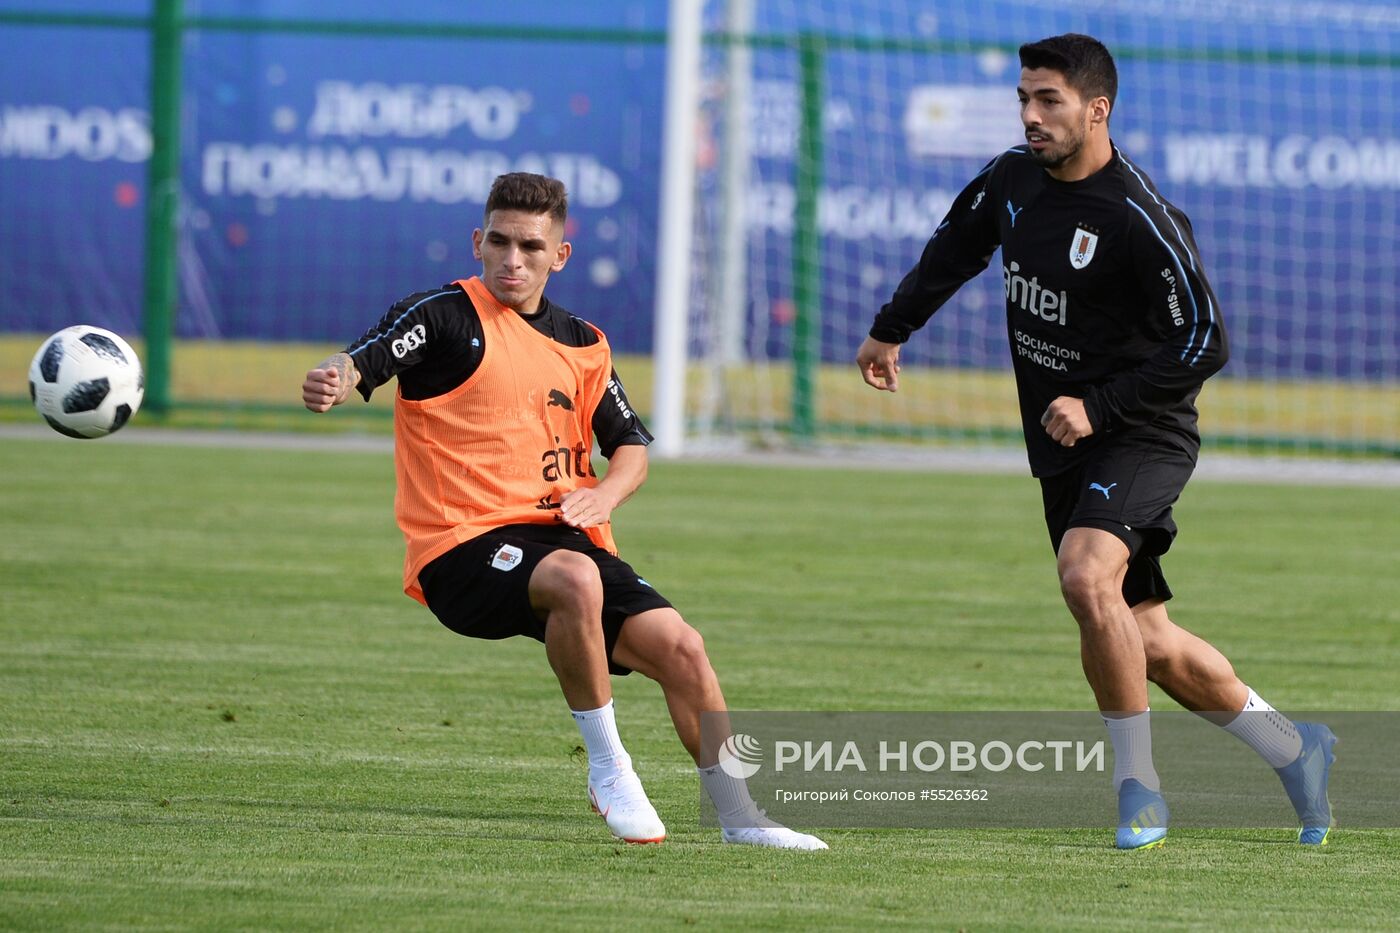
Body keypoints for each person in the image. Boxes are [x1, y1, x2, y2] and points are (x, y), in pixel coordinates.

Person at [857, 34, 1335, 849]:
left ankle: (1138, 788)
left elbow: (1205, 343)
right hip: (1063, 443)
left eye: (1049, 101)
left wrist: (1100, 405)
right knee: (1147, 641)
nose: (1031, 116)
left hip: (1141, 430)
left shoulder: (1136, 216)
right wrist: (890, 329)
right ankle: (1296, 748)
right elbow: (955, 249)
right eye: (1023, 99)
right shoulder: (1012, 180)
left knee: (1085, 576)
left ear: (1097, 109)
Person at [303, 172, 825, 850]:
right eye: (498, 242)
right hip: (461, 549)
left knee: (684, 649)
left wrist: (604, 494)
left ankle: (740, 816)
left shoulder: (584, 343)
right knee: (574, 581)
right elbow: (366, 358)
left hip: (563, 538)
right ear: (477, 241)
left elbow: (632, 448)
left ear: (561, 254)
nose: (512, 259)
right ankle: (610, 770)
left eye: (530, 246)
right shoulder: (441, 315)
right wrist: (335, 378)